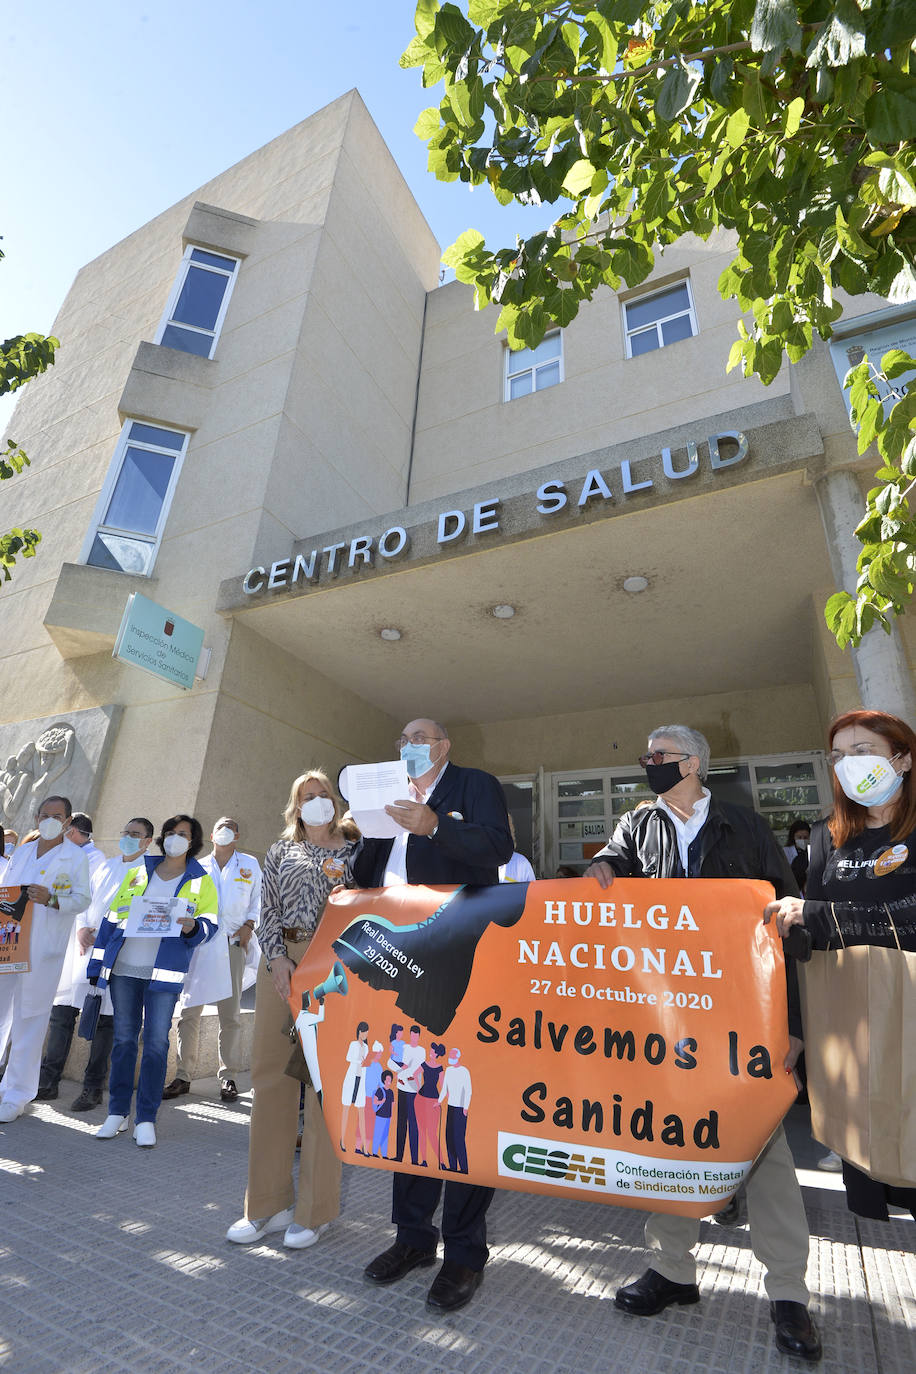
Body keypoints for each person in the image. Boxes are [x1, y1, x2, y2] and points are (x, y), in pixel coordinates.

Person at [585, 725, 821, 1364]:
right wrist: (604, 867)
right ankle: (671, 1271)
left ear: (692, 763)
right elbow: (609, 866)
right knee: (666, 1141)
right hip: (667, 1022)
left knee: (763, 1148)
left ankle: (789, 1294)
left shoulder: (744, 827)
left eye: (657, 756)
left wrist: (793, 1025)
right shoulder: (639, 824)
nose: (647, 764)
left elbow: (788, 923)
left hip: (745, 1017)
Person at [354, 717, 513, 1313]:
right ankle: (413, 1238)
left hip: (458, 958)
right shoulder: (381, 794)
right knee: (407, 1097)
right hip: (392, 960)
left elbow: (497, 848)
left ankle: (465, 1253)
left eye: (420, 737)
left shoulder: (474, 785)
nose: (408, 745)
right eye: (400, 738)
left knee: (461, 1105)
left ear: (444, 746)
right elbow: (371, 868)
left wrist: (436, 825)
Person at [765, 709, 916, 1223]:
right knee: (871, 1167)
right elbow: (813, 938)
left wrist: (819, 914)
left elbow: (907, 918)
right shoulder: (830, 838)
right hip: (850, 1030)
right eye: (838, 756)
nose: (849, 765)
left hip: (909, 1022)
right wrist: (798, 1028)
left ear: (904, 758)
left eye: (863, 751)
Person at [225, 769, 359, 1250]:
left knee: (325, 1085)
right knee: (270, 1080)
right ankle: (266, 1204)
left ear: (335, 801)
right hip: (280, 967)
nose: (317, 801)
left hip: (335, 967)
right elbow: (269, 910)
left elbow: (367, 907)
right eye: (307, 795)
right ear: (295, 805)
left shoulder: (355, 848)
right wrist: (278, 958)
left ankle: (315, 1209)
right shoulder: (281, 851)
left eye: (324, 794)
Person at [88, 814, 218, 1147]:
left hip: (164, 974)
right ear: (162, 838)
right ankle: (117, 1113)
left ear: (194, 841)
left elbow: (210, 924)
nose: (176, 838)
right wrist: (97, 966)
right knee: (124, 1041)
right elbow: (111, 918)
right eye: (171, 833)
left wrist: (193, 927)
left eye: (184, 834)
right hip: (125, 969)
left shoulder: (201, 880)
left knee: (158, 1044)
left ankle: (146, 1118)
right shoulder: (138, 871)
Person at [37, 817, 155, 1111]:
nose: (128, 837)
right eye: (125, 831)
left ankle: (92, 1088)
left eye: (135, 834)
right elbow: (83, 900)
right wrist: (81, 927)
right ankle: (48, 1081)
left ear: (148, 841)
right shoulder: (107, 866)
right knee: (63, 1012)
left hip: (118, 952)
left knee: (106, 1021)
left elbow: (143, 913)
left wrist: (107, 933)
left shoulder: (150, 873)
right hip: (84, 948)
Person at [0, 796, 92, 1122]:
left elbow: (83, 898)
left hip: (43, 949)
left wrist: (52, 898)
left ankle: (16, 1095)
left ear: (67, 822)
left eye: (57, 816)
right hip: (9, 943)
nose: (50, 819)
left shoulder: (75, 857)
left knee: (30, 1018)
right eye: (45, 814)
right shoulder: (22, 851)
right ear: (36, 817)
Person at [165, 815, 262, 1103]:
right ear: (211, 835)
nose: (226, 831)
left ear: (238, 835)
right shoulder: (197, 867)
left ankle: (229, 1077)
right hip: (198, 944)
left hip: (231, 942)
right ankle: (183, 1075)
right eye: (221, 827)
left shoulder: (249, 865)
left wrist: (249, 925)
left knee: (230, 1013)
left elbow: (258, 898)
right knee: (189, 1011)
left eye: (232, 827)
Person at [438, 1047, 472, 1174]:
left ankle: (464, 1168)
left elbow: (468, 1091)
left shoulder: (464, 1071)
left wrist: (466, 1107)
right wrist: (439, 1101)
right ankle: (453, 1166)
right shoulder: (448, 1070)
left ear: (458, 1056)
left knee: (458, 1138)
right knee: (449, 1137)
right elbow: (444, 1088)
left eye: (453, 1055)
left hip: (461, 1109)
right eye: (450, 1055)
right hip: (451, 1108)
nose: (451, 1057)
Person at [414, 1041, 445, 1167]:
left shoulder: (440, 1068)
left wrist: (439, 1101)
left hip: (433, 1102)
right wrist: (417, 1088)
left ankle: (441, 1161)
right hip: (421, 1099)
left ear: (436, 1054)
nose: (430, 1052)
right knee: (421, 1131)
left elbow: (443, 1086)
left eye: (432, 1051)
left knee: (432, 1133)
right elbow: (414, 1074)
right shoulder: (424, 1064)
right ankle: (424, 1160)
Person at [340, 1020, 369, 1153]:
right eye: (365, 1032)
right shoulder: (353, 1044)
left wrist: (368, 1062)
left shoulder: (367, 1047)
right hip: (352, 1078)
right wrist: (360, 1061)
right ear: (359, 1032)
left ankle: (364, 1146)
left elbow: (366, 1063)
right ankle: (342, 1140)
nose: (366, 1035)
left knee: (361, 1113)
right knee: (346, 1110)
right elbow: (348, 1058)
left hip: (361, 1079)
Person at [783, 819, 811, 895]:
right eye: (799, 837)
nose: (802, 840)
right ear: (793, 837)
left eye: (805, 837)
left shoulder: (813, 851)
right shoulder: (785, 852)